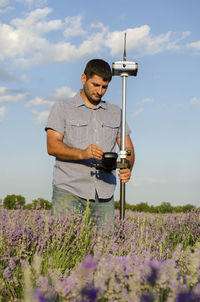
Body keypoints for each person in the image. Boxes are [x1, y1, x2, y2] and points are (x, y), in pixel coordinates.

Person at [45, 59, 135, 226]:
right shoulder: (62, 107)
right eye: (95, 85)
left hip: (104, 194)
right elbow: (52, 146)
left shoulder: (116, 112)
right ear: (83, 78)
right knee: (66, 245)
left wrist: (127, 167)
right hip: (69, 191)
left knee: (104, 248)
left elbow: (128, 148)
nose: (100, 91)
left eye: (104, 87)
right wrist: (82, 153)